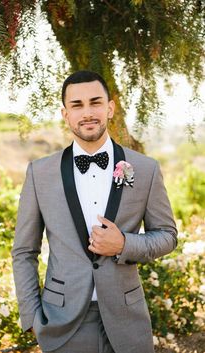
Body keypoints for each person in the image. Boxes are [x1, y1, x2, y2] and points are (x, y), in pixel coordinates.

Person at [12, 70, 177, 353]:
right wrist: (31, 317)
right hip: (63, 322)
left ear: (110, 108)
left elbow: (167, 236)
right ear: (65, 114)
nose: (87, 112)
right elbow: (24, 251)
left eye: (95, 102)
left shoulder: (146, 169)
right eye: (77, 105)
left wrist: (124, 244)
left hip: (128, 321)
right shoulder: (40, 173)